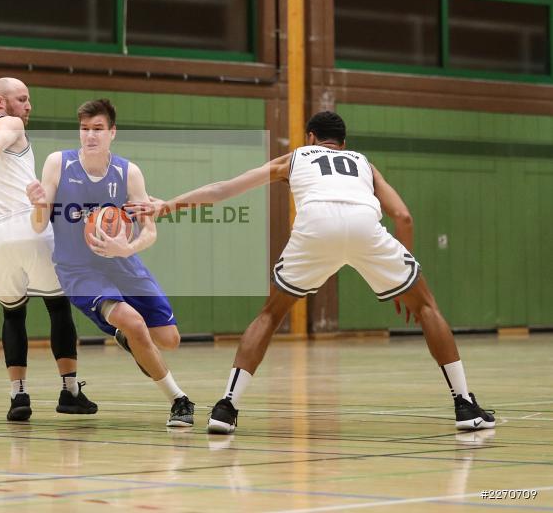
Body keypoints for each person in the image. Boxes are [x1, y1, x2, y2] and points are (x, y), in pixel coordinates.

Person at [148, 111, 495, 434]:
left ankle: (226, 408)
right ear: (343, 144)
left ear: (311, 137)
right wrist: (404, 275)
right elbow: (403, 216)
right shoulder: (364, 164)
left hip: (315, 226)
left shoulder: (296, 156)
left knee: (270, 315)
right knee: (427, 307)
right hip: (364, 226)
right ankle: (465, 406)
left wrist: (167, 205)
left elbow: (222, 189)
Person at [26, 98, 195, 427]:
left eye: (98, 130)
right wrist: (37, 204)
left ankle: (127, 338)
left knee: (169, 340)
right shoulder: (57, 164)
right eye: (84, 129)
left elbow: (150, 231)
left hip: (123, 264)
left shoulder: (128, 172)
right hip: (79, 270)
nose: (90, 136)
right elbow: (38, 224)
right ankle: (179, 400)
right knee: (132, 323)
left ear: (112, 133)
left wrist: (126, 249)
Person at [0, 77, 97, 421]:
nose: (28, 106)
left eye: (28, 100)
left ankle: (18, 395)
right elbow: (3, 137)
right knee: (58, 307)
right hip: (29, 227)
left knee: (13, 314)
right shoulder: (7, 125)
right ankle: (70, 391)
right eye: (21, 99)